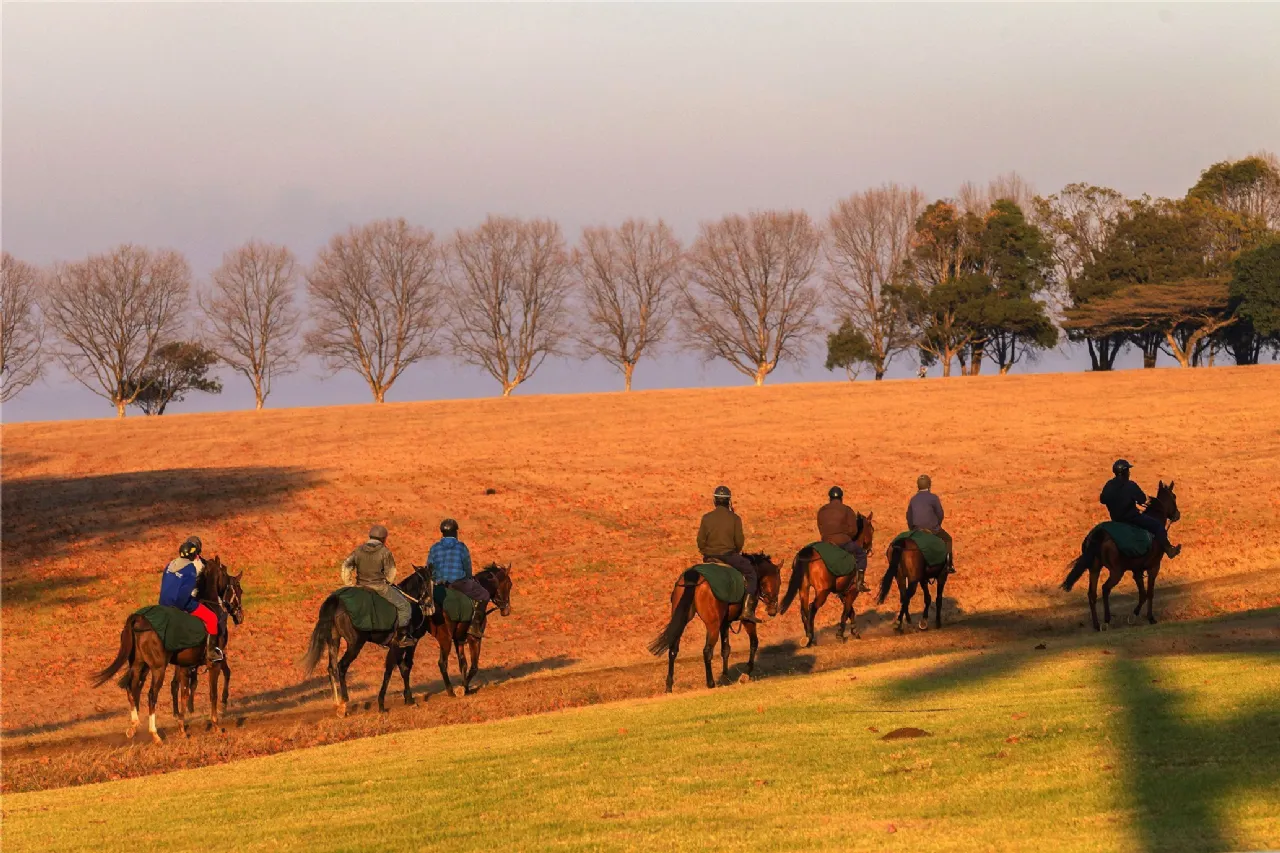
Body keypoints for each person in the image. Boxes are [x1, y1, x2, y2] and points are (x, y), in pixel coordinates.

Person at [342, 524, 416, 648]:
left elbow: (346, 567)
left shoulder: (358, 550)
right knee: (405, 606)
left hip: (361, 586)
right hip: (380, 587)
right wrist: (388, 581)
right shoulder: (384, 552)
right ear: (383, 539)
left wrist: (349, 584)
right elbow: (391, 572)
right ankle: (401, 637)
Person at [697, 486, 759, 623]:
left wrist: (705, 552)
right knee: (751, 574)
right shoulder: (735, 518)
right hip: (729, 556)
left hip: (709, 557)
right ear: (728, 501)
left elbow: (700, 540)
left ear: (715, 500)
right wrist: (735, 552)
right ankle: (747, 611)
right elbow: (739, 542)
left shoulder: (706, 518)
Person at [159, 536, 223, 663]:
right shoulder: (190, 569)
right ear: (195, 554)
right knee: (212, 618)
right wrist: (183, 608)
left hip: (163, 603)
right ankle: (211, 652)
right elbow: (185, 593)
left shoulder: (170, 564)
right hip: (181, 604)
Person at [1100, 459, 1181, 558]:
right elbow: (1143, 500)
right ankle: (1169, 550)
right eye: (1128, 470)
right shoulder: (1130, 485)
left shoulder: (1109, 485)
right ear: (1125, 472)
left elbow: (1102, 500)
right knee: (1158, 526)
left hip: (1116, 519)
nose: (1129, 473)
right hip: (1132, 518)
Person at [427, 518, 491, 639]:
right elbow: (467, 566)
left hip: (439, 584)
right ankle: (475, 625)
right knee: (484, 595)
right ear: (455, 532)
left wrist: (436, 580)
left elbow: (429, 567)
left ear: (442, 533)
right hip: (458, 583)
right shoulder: (461, 547)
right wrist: (469, 578)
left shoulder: (434, 547)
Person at [817, 486, 870, 592]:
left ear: (830, 498)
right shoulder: (847, 510)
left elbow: (820, 526)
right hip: (842, 541)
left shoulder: (822, 510)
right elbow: (854, 530)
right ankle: (859, 583)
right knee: (861, 554)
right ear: (841, 498)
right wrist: (846, 536)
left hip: (825, 542)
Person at [907, 475, 955, 573]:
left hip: (917, 530)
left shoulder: (913, 499)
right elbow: (940, 514)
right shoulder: (933, 498)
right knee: (948, 540)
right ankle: (949, 564)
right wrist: (936, 526)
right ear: (929, 485)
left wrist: (912, 529)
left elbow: (909, 517)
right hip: (932, 529)